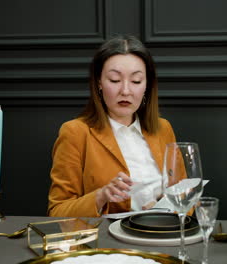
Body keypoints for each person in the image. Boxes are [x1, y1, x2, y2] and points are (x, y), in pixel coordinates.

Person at [47, 35, 177, 217]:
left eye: (136, 81)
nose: (125, 90)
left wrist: (165, 206)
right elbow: (58, 212)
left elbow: (185, 196)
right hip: (109, 242)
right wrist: (101, 196)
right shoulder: (75, 132)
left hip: (162, 236)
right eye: (115, 80)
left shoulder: (163, 129)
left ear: (147, 85)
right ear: (99, 82)